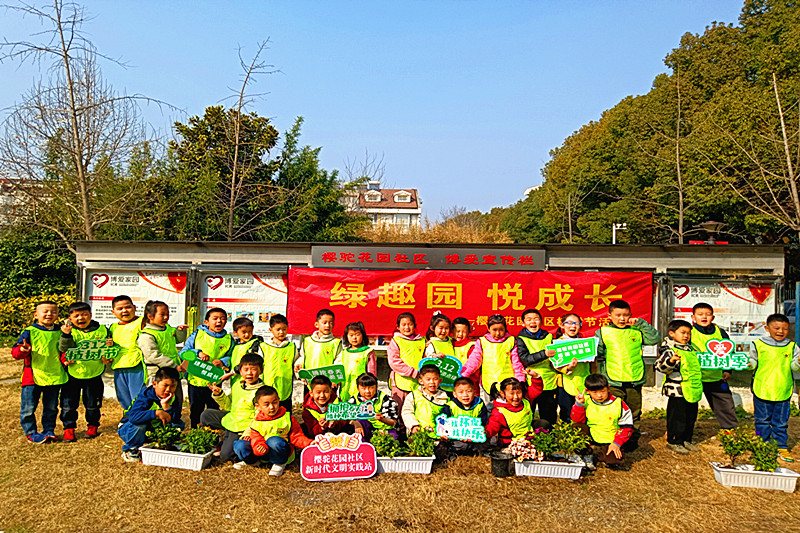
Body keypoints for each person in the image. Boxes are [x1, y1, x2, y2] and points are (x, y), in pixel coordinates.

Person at [595, 299, 660, 450]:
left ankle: (631, 441)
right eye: (618, 315)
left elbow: (654, 339)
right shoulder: (603, 332)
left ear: (631, 315)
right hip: (613, 380)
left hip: (634, 379)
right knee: (613, 411)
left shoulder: (636, 330)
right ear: (609, 315)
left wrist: (641, 324)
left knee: (634, 412)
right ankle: (612, 441)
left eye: (625, 315)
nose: (622, 319)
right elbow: (596, 352)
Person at [58, 301, 113, 441]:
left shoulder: (102, 329)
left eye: (84, 314)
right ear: (70, 319)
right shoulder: (67, 330)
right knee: (68, 404)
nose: (81, 318)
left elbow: (110, 349)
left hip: (94, 373)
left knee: (93, 404)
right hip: (73, 374)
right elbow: (64, 349)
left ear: (91, 315)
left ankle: (93, 426)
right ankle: (69, 429)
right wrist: (66, 335)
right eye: (76, 316)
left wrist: (109, 350)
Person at [13, 300, 67, 443]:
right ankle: (30, 433)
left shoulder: (61, 332)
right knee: (29, 407)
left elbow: (64, 350)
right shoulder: (29, 332)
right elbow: (15, 352)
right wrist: (23, 350)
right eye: (45, 311)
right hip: (32, 377)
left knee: (51, 407)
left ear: (58, 315)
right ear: (36, 315)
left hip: (54, 375)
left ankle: (49, 430)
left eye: (53, 312)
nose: (49, 314)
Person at [749, 313, 800, 462]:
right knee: (762, 420)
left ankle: (781, 447)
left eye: (784, 329)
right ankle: (762, 444)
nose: (780, 331)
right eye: (776, 328)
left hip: (783, 390)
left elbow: (794, 367)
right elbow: (752, 361)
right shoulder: (758, 344)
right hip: (762, 388)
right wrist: (747, 364)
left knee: (781, 422)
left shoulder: (791, 346)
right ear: (767, 328)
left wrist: (798, 362)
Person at [232, 385, 313, 476]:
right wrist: (259, 448)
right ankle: (252, 461)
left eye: (274, 402)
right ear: (258, 406)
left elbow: (297, 436)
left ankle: (280, 463)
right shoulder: (256, 422)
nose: (271, 407)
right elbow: (256, 439)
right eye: (266, 404)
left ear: (278, 400)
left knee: (274, 441)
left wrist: (309, 443)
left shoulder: (287, 418)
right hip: (264, 452)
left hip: (281, 451)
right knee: (239, 444)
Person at [200, 353, 264, 464]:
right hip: (232, 419)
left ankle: (240, 450)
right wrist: (219, 394)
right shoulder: (237, 385)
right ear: (240, 371)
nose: (249, 373)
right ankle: (216, 443)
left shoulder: (262, 392)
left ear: (261, 371)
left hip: (243, 427)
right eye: (246, 369)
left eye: (253, 369)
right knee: (207, 415)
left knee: (225, 456)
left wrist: (248, 433)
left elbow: (260, 418)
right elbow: (228, 406)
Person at [179, 307, 234, 428]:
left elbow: (232, 356)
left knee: (213, 409)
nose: (219, 321)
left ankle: (211, 435)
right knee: (195, 409)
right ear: (206, 322)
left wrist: (223, 362)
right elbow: (183, 353)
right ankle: (195, 433)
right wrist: (197, 353)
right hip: (196, 380)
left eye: (222, 319)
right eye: (215, 318)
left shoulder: (229, 339)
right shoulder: (197, 335)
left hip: (214, 380)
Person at [655, 320, 703, 455]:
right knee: (677, 417)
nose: (686, 336)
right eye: (682, 333)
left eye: (688, 333)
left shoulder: (692, 349)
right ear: (672, 333)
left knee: (691, 416)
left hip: (692, 389)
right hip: (677, 391)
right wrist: (671, 361)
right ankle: (674, 441)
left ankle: (686, 439)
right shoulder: (669, 350)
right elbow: (659, 367)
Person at [137, 300, 188, 424]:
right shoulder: (147, 335)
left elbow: (177, 340)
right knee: (159, 400)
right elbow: (153, 355)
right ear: (150, 316)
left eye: (168, 314)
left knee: (176, 399)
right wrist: (174, 365)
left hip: (173, 373)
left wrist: (180, 331)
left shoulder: (167, 329)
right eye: (162, 314)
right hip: (157, 374)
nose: (166, 317)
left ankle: (174, 423)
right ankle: (159, 425)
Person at [117, 366, 183, 463]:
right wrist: (156, 413)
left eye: (173, 386)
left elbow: (175, 419)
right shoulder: (145, 397)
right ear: (155, 384)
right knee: (140, 425)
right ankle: (130, 449)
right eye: (165, 385)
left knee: (179, 424)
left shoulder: (173, 398)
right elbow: (133, 417)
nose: (168, 389)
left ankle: (163, 443)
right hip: (128, 428)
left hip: (151, 428)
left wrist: (166, 407)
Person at [690, 303, 738, 429]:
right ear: (693, 317)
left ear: (713, 317)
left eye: (708, 314)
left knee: (725, 405)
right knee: (687, 407)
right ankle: (680, 432)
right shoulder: (689, 332)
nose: (704, 317)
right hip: (694, 377)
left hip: (717, 376)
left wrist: (728, 370)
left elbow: (730, 351)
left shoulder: (720, 332)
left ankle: (730, 431)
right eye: (700, 315)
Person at [461, 314, 526, 408]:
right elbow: (474, 360)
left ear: (505, 328)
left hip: (508, 384)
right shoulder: (482, 341)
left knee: (506, 408)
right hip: (487, 382)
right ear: (488, 328)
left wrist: (520, 380)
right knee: (488, 408)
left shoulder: (511, 341)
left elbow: (516, 363)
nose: (498, 333)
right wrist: (463, 375)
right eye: (494, 330)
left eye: (501, 330)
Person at [571, 373, 634, 468]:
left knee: (614, 461)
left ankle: (601, 453)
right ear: (588, 391)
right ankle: (586, 453)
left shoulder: (619, 404)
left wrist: (616, 443)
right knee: (576, 427)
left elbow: (627, 427)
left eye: (603, 391)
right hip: (592, 435)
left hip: (611, 439)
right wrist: (579, 405)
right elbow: (577, 420)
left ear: (608, 388)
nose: (600, 395)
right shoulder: (585, 401)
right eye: (595, 392)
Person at [516, 308, 557, 424]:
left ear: (541, 322)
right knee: (528, 414)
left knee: (549, 415)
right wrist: (544, 354)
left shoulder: (549, 337)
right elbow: (524, 359)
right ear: (523, 323)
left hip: (549, 382)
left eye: (536, 319)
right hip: (530, 383)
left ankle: (548, 439)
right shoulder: (520, 339)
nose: (533, 322)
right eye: (529, 320)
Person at [552, 313, 591, 423]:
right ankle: (568, 439)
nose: (573, 326)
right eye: (569, 323)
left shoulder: (586, 344)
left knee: (584, 412)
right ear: (562, 325)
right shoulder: (558, 343)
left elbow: (593, 365)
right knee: (567, 414)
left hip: (584, 382)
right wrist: (568, 368)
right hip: (565, 384)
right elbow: (554, 364)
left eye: (576, 323)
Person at [485, 377, 548, 446]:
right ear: (502, 394)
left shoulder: (526, 400)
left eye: (518, 393)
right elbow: (492, 427)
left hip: (528, 437)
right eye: (511, 393)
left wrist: (536, 377)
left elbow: (537, 388)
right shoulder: (499, 412)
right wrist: (486, 432)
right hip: (510, 442)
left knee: (543, 424)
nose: (516, 397)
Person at [108, 295, 145, 412]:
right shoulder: (113, 327)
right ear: (113, 312)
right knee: (123, 397)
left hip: (136, 365)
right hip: (118, 366)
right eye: (120, 309)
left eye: (128, 307)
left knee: (138, 396)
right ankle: (129, 417)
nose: (124, 311)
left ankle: (141, 419)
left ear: (134, 308)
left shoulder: (142, 322)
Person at [440, 376, 489, 455]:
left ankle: (475, 450)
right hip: (458, 439)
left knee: (492, 440)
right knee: (457, 445)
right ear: (454, 394)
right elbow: (443, 423)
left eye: (469, 391)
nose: (465, 395)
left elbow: (483, 421)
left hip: (473, 437)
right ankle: (456, 452)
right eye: (461, 392)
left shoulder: (479, 404)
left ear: (474, 391)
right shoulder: (450, 406)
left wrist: (479, 432)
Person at [386, 312, 426, 408]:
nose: (407, 327)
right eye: (403, 325)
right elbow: (394, 362)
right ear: (398, 327)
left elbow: (426, 358)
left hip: (418, 382)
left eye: (410, 324)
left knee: (415, 409)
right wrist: (413, 372)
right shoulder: (396, 341)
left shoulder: (422, 341)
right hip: (400, 382)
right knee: (398, 408)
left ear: (415, 326)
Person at [347, 372, 400, 441]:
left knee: (392, 439)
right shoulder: (353, 399)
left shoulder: (385, 399)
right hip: (366, 428)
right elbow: (346, 417)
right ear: (358, 388)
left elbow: (393, 422)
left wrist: (382, 419)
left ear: (376, 387)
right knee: (360, 423)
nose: (367, 391)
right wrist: (355, 422)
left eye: (371, 388)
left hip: (384, 429)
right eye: (363, 388)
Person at [401, 364, 449, 435]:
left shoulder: (445, 398)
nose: (432, 382)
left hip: (439, 434)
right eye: (428, 379)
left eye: (435, 379)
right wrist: (414, 426)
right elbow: (407, 412)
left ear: (440, 380)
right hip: (418, 432)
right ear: (421, 381)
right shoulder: (413, 396)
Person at [261, 314, 295, 412]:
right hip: (268, 385)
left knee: (285, 412)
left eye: (284, 329)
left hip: (285, 386)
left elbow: (297, 362)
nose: (281, 332)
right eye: (278, 329)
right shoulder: (264, 346)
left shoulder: (291, 347)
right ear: (271, 330)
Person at [295, 308, 342, 376]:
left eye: (330, 323)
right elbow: (302, 357)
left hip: (327, 381)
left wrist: (335, 379)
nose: (327, 325)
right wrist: (299, 364)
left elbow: (339, 361)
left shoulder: (336, 343)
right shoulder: (307, 341)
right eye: (324, 323)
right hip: (309, 380)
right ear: (316, 324)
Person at [340, 321, 376, 402]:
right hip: (346, 388)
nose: (354, 338)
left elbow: (372, 373)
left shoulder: (368, 352)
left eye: (357, 335)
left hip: (362, 389)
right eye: (351, 335)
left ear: (363, 335)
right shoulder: (344, 352)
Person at [229, 316, 264, 386]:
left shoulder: (255, 343)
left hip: (249, 379)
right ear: (235, 333)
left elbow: (250, 361)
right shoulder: (234, 345)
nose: (247, 334)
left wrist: (233, 372)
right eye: (244, 332)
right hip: (235, 379)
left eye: (250, 331)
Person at [452, 317, 480, 392]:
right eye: (457, 331)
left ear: (469, 331)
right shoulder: (449, 343)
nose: (460, 334)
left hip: (468, 384)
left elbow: (474, 365)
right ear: (452, 331)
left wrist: (462, 375)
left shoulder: (472, 346)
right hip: (451, 384)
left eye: (464, 331)